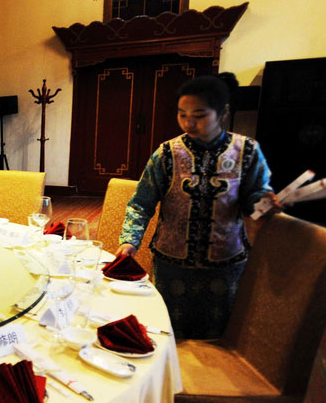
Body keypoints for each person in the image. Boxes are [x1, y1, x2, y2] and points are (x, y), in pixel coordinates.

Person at [116, 73, 280, 339]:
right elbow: (141, 203)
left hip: (225, 263)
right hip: (172, 263)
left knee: (219, 336)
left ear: (223, 112)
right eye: (182, 114)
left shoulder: (247, 151)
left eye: (199, 115)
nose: (188, 122)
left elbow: (255, 202)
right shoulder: (167, 153)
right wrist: (129, 240)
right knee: (168, 333)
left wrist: (266, 204)